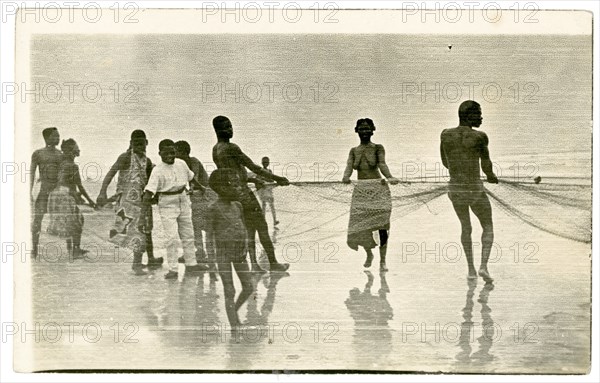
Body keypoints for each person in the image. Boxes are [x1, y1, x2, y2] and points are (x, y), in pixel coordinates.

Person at [211, 116, 290, 273]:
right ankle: (273, 263)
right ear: (218, 130)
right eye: (226, 127)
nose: (230, 129)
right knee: (262, 227)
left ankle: (254, 265)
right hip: (244, 195)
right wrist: (278, 178)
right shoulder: (231, 147)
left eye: (231, 126)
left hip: (233, 195)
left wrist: (252, 180)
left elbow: (231, 173)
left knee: (249, 230)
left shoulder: (215, 150)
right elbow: (253, 167)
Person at [440, 100, 498, 283]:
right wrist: (490, 176)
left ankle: (471, 270)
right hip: (474, 189)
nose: (481, 117)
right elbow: (486, 164)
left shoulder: (445, 135)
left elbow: (445, 163)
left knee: (466, 227)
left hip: (455, 188)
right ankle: (483, 266)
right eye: (478, 113)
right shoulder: (480, 136)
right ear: (468, 115)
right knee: (487, 225)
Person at [139, 139, 209, 280]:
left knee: (188, 233)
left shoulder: (181, 164)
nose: (170, 156)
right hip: (167, 202)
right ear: (160, 154)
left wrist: (202, 187)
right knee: (171, 238)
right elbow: (148, 194)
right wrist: (142, 216)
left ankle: (191, 264)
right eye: (166, 153)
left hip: (183, 198)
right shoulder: (157, 170)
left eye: (172, 152)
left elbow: (191, 178)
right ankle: (173, 269)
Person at [96, 130, 163, 276]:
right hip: (128, 202)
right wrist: (102, 192)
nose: (139, 145)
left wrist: (156, 196)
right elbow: (110, 173)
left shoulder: (148, 161)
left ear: (146, 143)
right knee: (137, 231)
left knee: (147, 229)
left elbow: (153, 179)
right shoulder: (125, 157)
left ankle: (151, 258)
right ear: (131, 143)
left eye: (142, 142)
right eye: (136, 142)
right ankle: (136, 264)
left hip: (143, 201)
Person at [342, 118, 400, 271]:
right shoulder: (354, 150)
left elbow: (382, 164)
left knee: (382, 227)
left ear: (373, 130)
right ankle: (369, 254)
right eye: (362, 129)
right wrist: (346, 177)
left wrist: (390, 177)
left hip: (378, 191)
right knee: (360, 226)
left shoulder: (378, 148)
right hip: (361, 192)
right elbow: (349, 166)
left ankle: (382, 261)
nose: (365, 131)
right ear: (357, 131)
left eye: (368, 128)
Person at [205, 168, 255, 328]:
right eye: (235, 185)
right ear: (223, 188)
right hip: (223, 254)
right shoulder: (213, 209)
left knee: (248, 287)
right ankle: (235, 326)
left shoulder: (238, 206)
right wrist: (211, 261)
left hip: (239, 252)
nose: (239, 188)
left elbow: (244, 228)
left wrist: (246, 245)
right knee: (230, 290)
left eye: (239, 185)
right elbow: (209, 237)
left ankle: (233, 310)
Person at [174, 140, 218, 279]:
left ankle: (207, 256)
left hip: (205, 195)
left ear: (184, 152)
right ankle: (199, 253)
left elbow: (195, 179)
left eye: (177, 152)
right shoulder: (180, 165)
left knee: (204, 226)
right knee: (195, 226)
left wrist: (190, 190)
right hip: (196, 197)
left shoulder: (193, 161)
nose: (175, 155)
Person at [46, 139, 93, 259]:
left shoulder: (62, 164)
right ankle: (75, 251)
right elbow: (80, 186)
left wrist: (74, 194)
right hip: (64, 196)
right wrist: (90, 201)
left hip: (56, 195)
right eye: (77, 148)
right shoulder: (73, 166)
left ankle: (71, 249)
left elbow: (62, 182)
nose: (79, 150)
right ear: (72, 151)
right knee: (78, 221)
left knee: (69, 223)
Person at [31, 127, 64, 259]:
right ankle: (34, 249)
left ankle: (73, 248)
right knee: (37, 220)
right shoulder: (38, 154)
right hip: (44, 191)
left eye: (58, 136)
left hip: (57, 192)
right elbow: (31, 173)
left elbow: (63, 174)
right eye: (55, 136)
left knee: (68, 218)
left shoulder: (60, 155)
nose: (58, 138)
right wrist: (29, 192)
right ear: (47, 137)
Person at [254, 156, 279, 227]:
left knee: (271, 206)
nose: (266, 164)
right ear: (262, 163)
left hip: (269, 190)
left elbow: (272, 180)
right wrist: (264, 180)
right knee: (264, 205)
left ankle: (274, 221)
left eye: (267, 162)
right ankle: (263, 221)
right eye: (264, 162)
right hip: (263, 190)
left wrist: (265, 179)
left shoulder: (269, 171)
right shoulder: (260, 171)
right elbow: (258, 180)